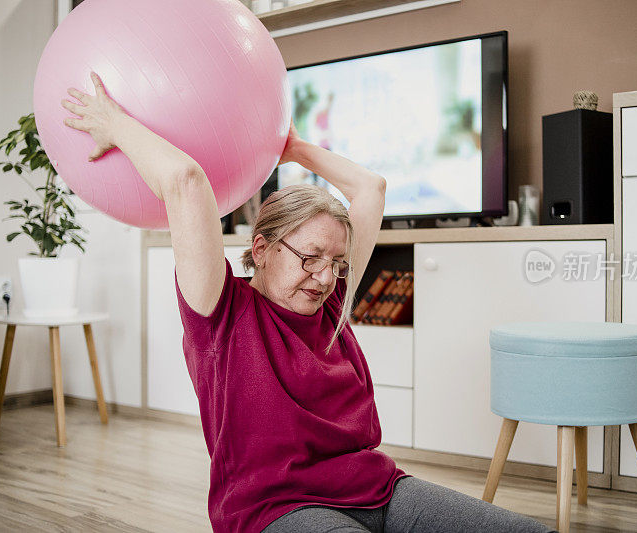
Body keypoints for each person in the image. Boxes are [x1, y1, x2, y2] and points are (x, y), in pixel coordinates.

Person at [62, 72, 554, 533]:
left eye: (337, 261)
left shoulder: (333, 297)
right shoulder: (220, 313)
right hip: (277, 507)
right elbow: (186, 182)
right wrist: (115, 124)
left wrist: (294, 148)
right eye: (310, 257)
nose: (324, 278)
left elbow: (370, 187)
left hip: (378, 490)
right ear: (262, 249)